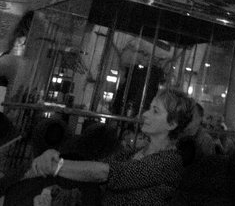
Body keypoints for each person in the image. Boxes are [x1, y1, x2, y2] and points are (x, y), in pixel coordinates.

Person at [25, 88, 194, 205]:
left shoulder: (170, 162)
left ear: (172, 124)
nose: (145, 114)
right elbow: (97, 168)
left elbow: (108, 173)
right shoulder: (135, 152)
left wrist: (56, 166)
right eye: (149, 108)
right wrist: (56, 184)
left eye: (155, 111)